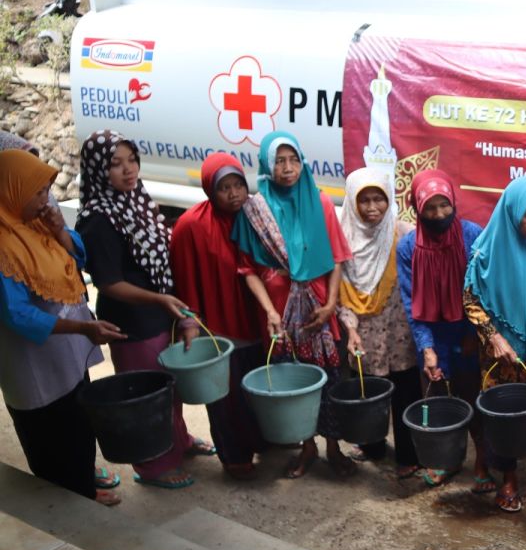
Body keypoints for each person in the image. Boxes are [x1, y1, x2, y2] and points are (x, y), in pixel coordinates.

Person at [77, 130, 213, 490]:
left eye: (132, 160)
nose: (128, 170)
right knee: (147, 395)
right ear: (96, 170)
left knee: (172, 388)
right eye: (115, 164)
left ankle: (179, 441)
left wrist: (177, 309)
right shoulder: (97, 218)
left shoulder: (138, 200)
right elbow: (108, 282)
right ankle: (153, 466)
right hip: (133, 321)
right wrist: (159, 300)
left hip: (163, 313)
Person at [0, 149, 123, 505]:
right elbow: (18, 315)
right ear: (13, 190)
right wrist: (83, 329)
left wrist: (60, 232)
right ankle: (70, 509)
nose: (45, 200)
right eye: (37, 192)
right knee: (53, 442)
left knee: (79, 427)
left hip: (66, 357)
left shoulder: (38, 223)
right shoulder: (5, 245)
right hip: (33, 369)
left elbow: (79, 256)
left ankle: (83, 490)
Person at [231, 130, 353, 479]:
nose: (288, 168)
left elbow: (337, 257)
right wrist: (270, 311)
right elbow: (248, 270)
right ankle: (307, 447)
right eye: (280, 161)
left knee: (329, 378)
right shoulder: (255, 210)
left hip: (318, 306)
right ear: (268, 166)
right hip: (278, 310)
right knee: (293, 380)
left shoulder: (321, 201)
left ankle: (333, 446)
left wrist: (331, 304)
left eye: (293, 159)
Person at [464, 175, 526, 512]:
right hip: (500, 352)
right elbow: (470, 301)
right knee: (504, 414)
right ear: (512, 213)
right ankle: (508, 477)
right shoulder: (485, 251)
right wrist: (493, 337)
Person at [169, 153, 265, 480]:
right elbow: (183, 279)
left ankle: (262, 442)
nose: (234, 193)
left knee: (258, 388)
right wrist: (190, 321)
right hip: (220, 329)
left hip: (258, 321)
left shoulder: (256, 215)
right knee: (227, 398)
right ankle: (235, 456)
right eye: (224, 187)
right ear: (210, 188)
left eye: (238, 184)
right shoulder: (191, 226)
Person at [397, 168, 493, 491]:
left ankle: (482, 459)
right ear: (417, 208)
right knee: (438, 401)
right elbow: (412, 304)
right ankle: (446, 460)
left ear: (454, 201)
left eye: (444, 205)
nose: (438, 214)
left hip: (466, 331)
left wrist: (475, 334)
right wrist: (427, 348)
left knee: (473, 398)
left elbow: (484, 290)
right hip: (433, 335)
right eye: (430, 207)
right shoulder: (408, 248)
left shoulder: (472, 235)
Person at [336, 167, 422, 475]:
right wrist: (350, 330)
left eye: (379, 199)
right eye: (365, 201)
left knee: (407, 389)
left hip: (401, 330)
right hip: (364, 331)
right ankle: (371, 444)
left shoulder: (405, 234)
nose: (372, 208)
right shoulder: (343, 239)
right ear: (352, 203)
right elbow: (341, 291)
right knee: (369, 389)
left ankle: (409, 456)